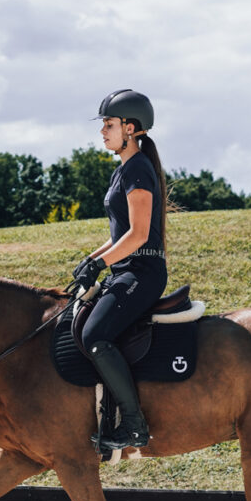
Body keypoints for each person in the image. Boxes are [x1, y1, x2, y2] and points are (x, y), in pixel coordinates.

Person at [72, 89, 170, 452]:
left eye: (109, 124)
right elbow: (119, 234)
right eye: (103, 125)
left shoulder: (139, 168)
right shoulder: (123, 170)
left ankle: (133, 424)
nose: (103, 131)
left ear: (131, 128)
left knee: (97, 335)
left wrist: (100, 263)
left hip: (142, 273)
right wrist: (91, 261)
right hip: (124, 271)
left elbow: (139, 234)